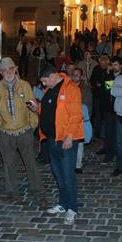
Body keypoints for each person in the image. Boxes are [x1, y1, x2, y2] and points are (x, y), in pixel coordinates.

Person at [30, 65, 83, 225]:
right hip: (51, 138)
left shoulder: (71, 89)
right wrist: (37, 108)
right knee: (58, 174)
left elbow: (75, 115)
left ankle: (72, 208)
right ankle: (63, 203)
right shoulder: (51, 89)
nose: (44, 84)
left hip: (65, 139)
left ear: (53, 76)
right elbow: (51, 109)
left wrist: (69, 136)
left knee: (68, 175)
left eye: (45, 81)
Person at [0, 57, 45, 204]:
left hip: (24, 131)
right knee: (8, 164)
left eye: (10, 69)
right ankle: (13, 192)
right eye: (4, 70)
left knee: (30, 163)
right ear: (1, 73)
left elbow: (32, 104)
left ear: (15, 69)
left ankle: (38, 191)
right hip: (5, 132)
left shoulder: (24, 85)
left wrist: (32, 125)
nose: (8, 72)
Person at [70, 67, 92, 174]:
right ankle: (70, 162)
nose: (75, 77)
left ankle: (78, 164)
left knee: (79, 143)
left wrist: (86, 117)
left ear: (81, 76)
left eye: (77, 75)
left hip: (80, 119)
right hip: (69, 118)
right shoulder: (67, 87)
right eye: (73, 75)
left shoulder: (85, 89)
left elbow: (88, 105)